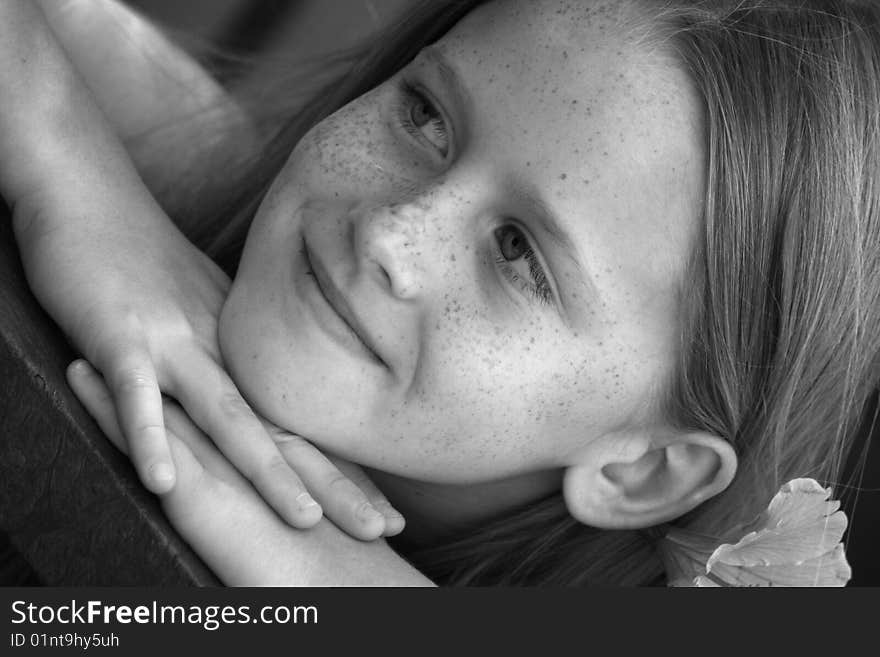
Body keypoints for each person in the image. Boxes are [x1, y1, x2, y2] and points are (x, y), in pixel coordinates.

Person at [2, 0, 877, 585]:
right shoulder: (195, 171)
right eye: (426, 116)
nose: (391, 233)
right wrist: (66, 161)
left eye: (517, 252)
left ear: (642, 470)